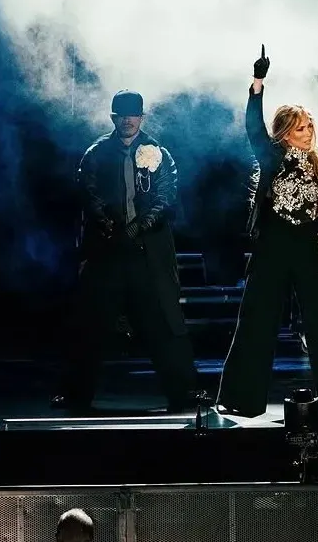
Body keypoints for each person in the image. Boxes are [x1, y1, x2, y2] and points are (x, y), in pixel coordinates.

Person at [214, 45, 318, 417]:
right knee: (256, 322)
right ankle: (240, 399)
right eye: (300, 127)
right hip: (273, 246)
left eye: (310, 126)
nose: (308, 132)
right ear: (285, 134)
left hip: (310, 247)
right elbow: (253, 128)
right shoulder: (272, 157)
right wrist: (258, 84)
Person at [53, 89, 198, 413]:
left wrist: (140, 226)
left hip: (147, 252)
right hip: (107, 251)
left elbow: (166, 196)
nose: (128, 121)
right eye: (122, 115)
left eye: (133, 115)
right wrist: (109, 226)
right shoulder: (97, 153)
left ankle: (184, 392)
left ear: (141, 117)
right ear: (113, 118)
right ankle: (74, 394)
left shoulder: (159, 153)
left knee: (162, 323)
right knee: (90, 322)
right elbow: (87, 192)